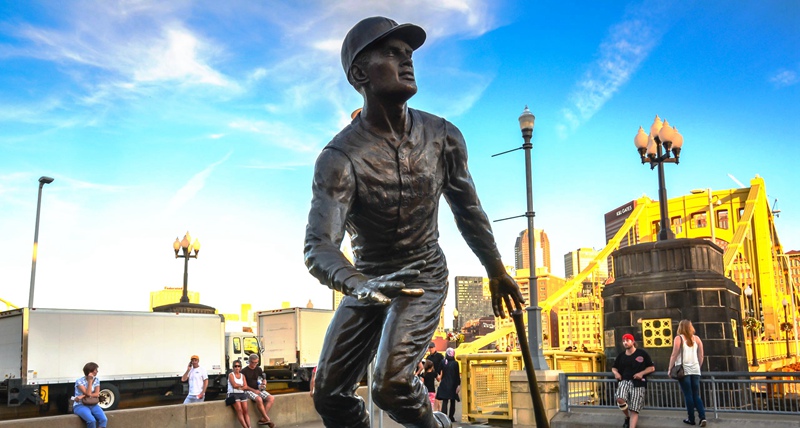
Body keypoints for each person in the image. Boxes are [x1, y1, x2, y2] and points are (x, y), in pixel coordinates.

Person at [304, 16, 526, 428]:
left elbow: (469, 210)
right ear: (359, 73)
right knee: (329, 394)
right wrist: (359, 285)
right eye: (391, 53)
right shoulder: (338, 158)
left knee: (390, 384)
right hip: (370, 278)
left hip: (423, 272)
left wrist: (496, 270)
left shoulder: (443, 136)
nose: (406, 61)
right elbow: (319, 247)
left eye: (408, 54)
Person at [668, 320, 707, 427]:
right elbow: (701, 355)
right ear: (691, 327)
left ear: (680, 327)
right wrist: (698, 366)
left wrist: (670, 368)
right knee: (696, 395)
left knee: (688, 395)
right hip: (695, 370)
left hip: (683, 371)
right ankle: (702, 417)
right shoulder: (697, 339)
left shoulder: (678, 338)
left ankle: (691, 419)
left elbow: (674, 354)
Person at [611, 334, 655, 428]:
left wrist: (641, 373)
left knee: (634, 409)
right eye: (623, 341)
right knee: (620, 399)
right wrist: (616, 373)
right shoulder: (621, 356)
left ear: (633, 341)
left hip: (638, 383)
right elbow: (614, 368)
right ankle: (627, 417)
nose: (625, 342)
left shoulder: (642, 353)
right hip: (624, 380)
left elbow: (651, 368)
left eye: (627, 340)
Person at [241, 353, 275, 427]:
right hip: (248, 390)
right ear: (249, 362)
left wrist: (264, 383)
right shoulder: (244, 371)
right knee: (259, 399)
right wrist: (254, 390)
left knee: (271, 398)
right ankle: (267, 419)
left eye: (256, 362)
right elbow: (244, 386)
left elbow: (263, 378)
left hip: (258, 388)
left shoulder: (258, 369)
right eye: (252, 362)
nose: (254, 364)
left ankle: (263, 418)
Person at [73, 362, 108, 428]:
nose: (97, 371)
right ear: (90, 371)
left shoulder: (97, 380)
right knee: (92, 421)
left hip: (93, 404)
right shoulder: (79, 381)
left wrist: (83, 396)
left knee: (103, 419)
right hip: (80, 405)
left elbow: (97, 394)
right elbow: (88, 393)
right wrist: (90, 381)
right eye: (96, 370)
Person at [435, 348, 461, 423]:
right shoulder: (455, 363)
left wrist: (440, 377)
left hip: (444, 383)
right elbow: (457, 375)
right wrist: (458, 384)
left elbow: (438, 370)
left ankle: (444, 418)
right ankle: (451, 417)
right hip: (453, 384)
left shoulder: (443, 362)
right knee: (452, 401)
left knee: (445, 401)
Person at [228, 361, 251, 428]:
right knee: (239, 410)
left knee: (246, 411)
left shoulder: (242, 376)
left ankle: (249, 426)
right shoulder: (231, 375)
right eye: (235, 366)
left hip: (242, 394)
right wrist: (241, 386)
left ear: (240, 368)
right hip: (233, 394)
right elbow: (234, 385)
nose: (237, 368)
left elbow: (246, 386)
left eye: (238, 366)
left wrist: (240, 386)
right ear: (233, 368)